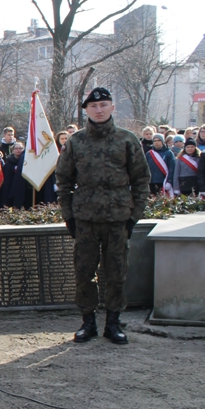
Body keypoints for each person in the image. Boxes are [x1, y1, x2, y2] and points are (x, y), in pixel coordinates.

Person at [56, 87, 149, 346]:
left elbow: (141, 180)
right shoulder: (76, 141)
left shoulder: (127, 139)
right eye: (93, 106)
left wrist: (133, 217)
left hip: (118, 218)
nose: (99, 110)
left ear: (112, 107)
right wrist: (69, 217)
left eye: (104, 105)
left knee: (116, 272)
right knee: (84, 272)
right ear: (86, 110)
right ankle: (88, 322)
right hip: (85, 218)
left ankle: (113, 323)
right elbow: (63, 181)